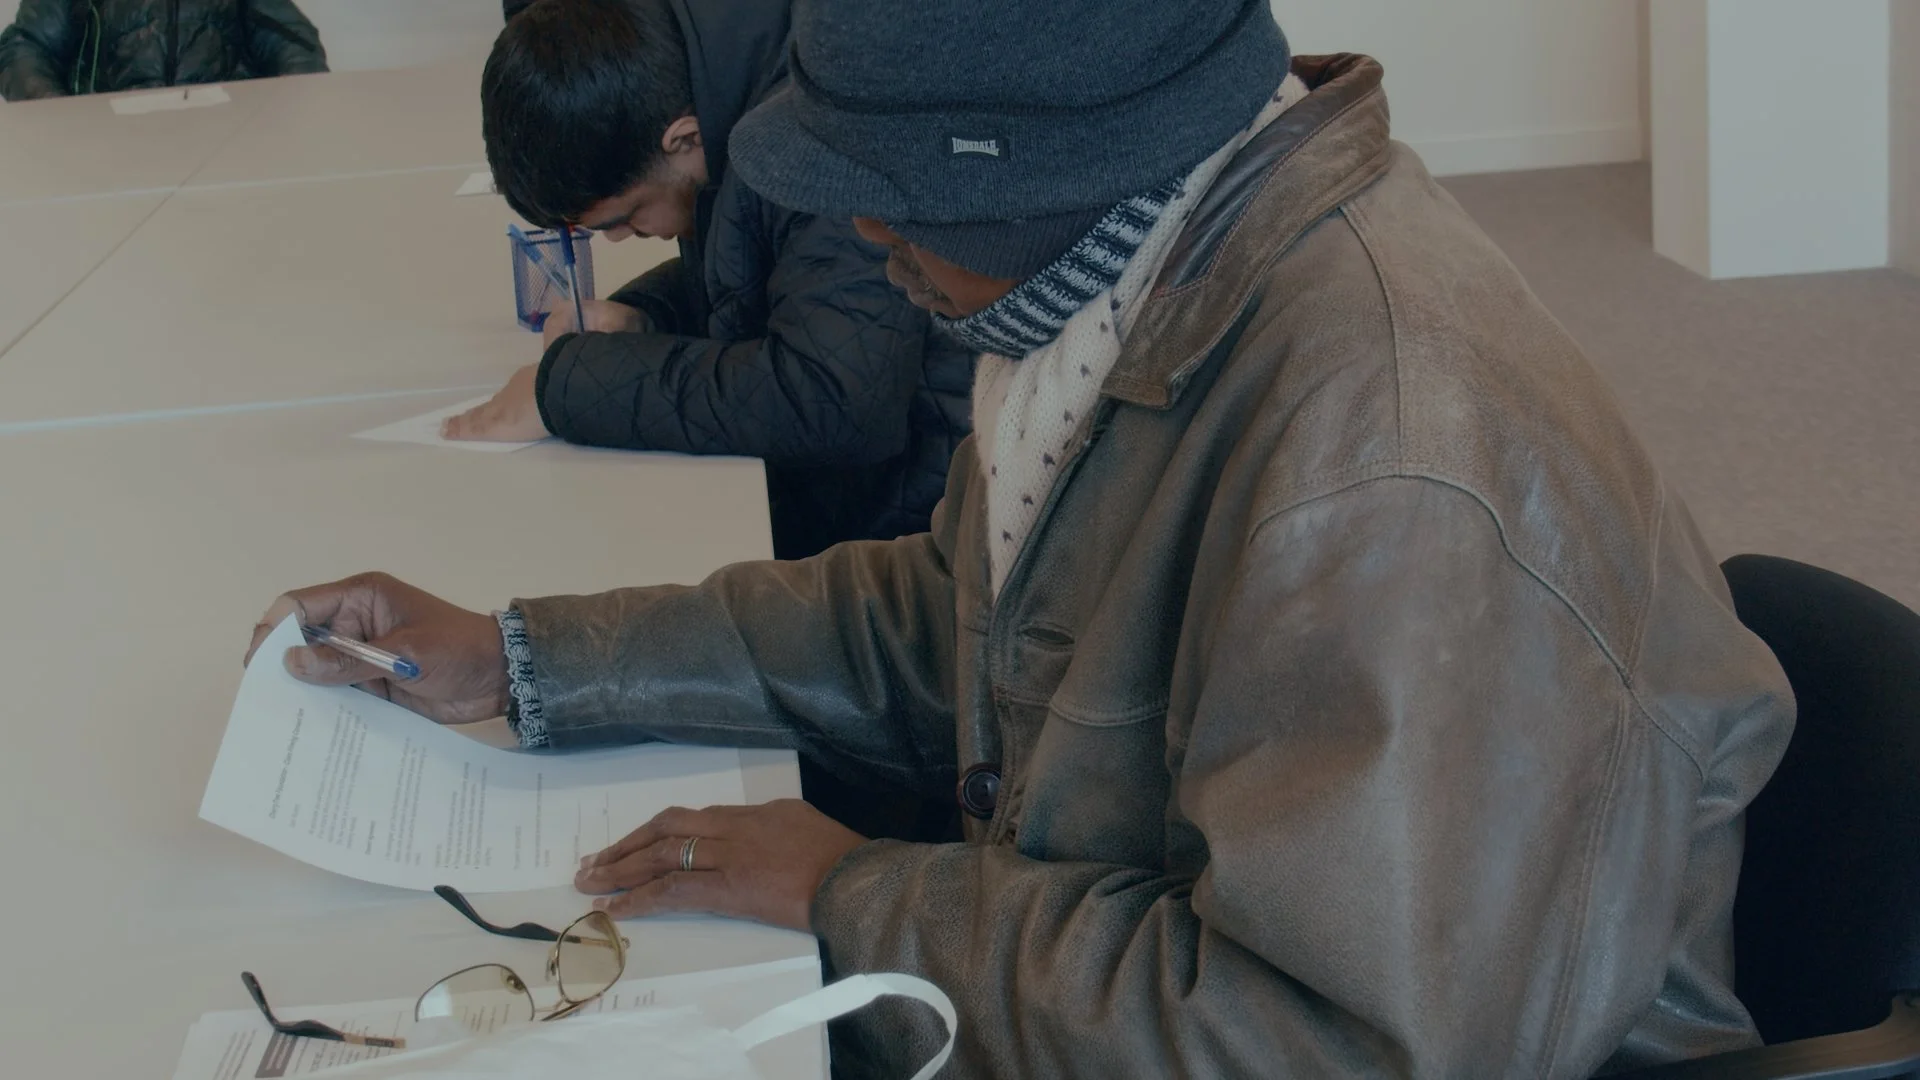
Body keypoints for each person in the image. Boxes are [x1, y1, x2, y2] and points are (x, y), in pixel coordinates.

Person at [248, 0, 1798, 1075]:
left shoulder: (1387, 477)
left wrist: (861, 898)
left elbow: (1332, 1046)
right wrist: (528, 657)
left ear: (1045, 163)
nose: (863, 237)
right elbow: (954, 615)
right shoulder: (1121, 275)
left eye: (890, 198)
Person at [445, 0, 976, 566]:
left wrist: (568, 390)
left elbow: (834, 402)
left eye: (625, 217)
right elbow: (781, 273)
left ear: (683, 138)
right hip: (871, 488)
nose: (620, 238)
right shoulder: (727, 79)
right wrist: (649, 314)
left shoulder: (819, 135)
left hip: (924, 525)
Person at [0, 0, 326, 102]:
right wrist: (59, 114)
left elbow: (291, 42)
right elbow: (26, 47)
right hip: (107, 153)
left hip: (224, 148)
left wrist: (295, 109)